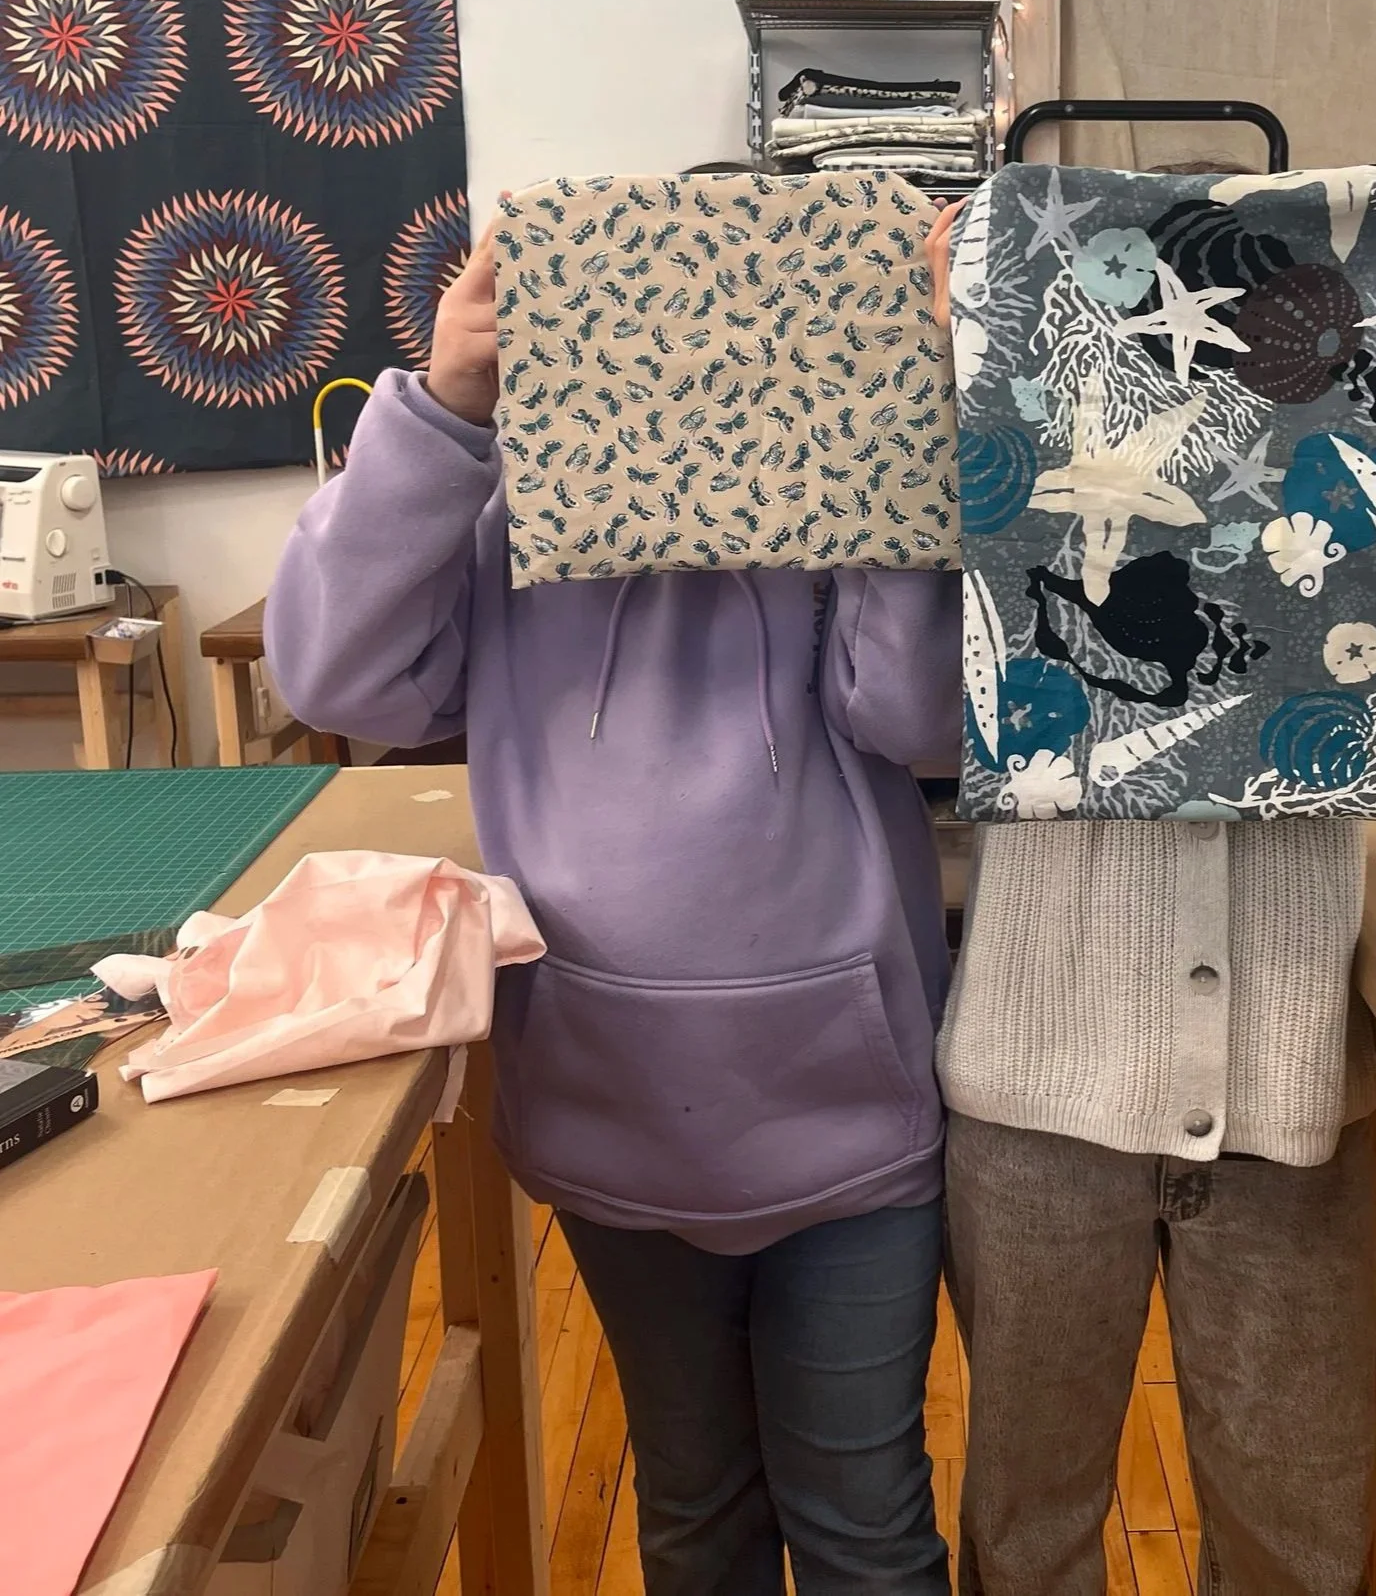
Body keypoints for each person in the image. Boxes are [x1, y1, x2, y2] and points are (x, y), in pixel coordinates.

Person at [266, 173, 960, 1596]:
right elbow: (337, 679)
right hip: (613, 1099)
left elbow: (920, 718)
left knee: (863, 1520)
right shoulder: (506, 509)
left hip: (847, 1109)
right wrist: (446, 410)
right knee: (694, 1503)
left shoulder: (832, 505)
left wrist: (901, 435)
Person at [926, 174, 1376, 1596]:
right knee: (1028, 1516)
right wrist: (949, 357)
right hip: (1036, 1086)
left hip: (1287, 1087)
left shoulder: (1325, 474)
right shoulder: (994, 455)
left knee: (1299, 1522)